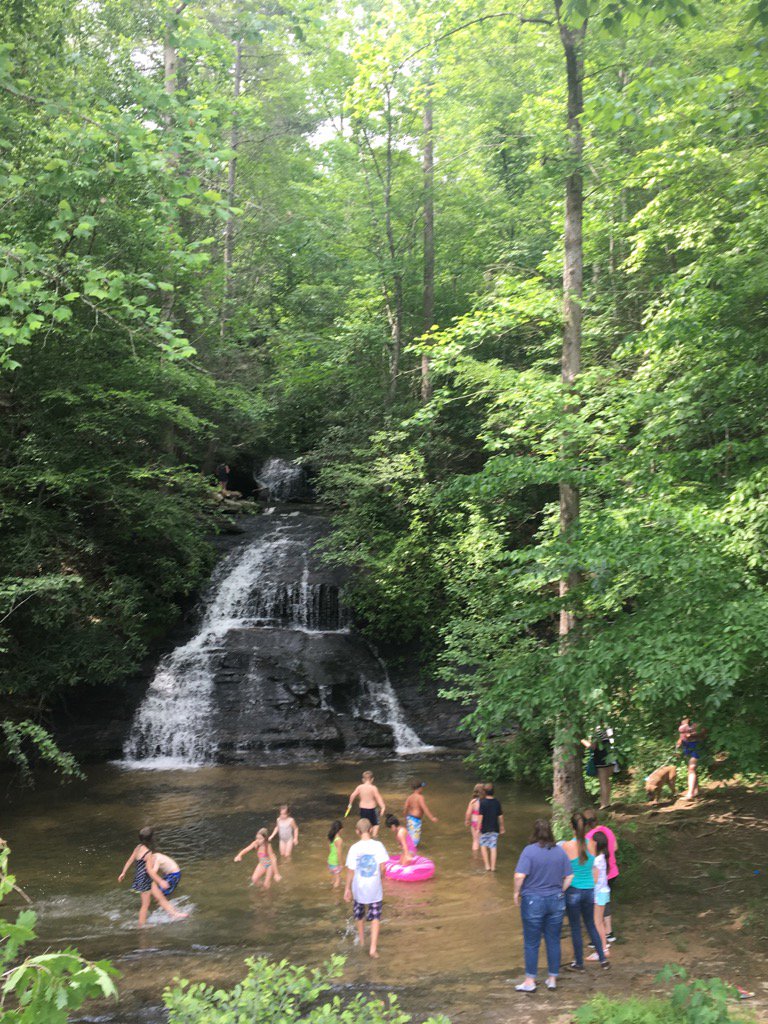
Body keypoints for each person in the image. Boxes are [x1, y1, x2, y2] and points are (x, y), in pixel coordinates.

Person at [513, 819, 573, 992]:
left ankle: (530, 981)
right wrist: (560, 890)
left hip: (533, 901)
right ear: (550, 832)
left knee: (532, 942)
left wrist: (516, 893)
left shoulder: (529, 851)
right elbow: (569, 876)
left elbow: (519, 876)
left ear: (534, 832)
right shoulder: (560, 852)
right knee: (553, 940)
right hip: (556, 900)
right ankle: (552, 979)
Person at [559, 813, 609, 971]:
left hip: (573, 890)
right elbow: (593, 868)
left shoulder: (567, 846)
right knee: (591, 925)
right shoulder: (593, 844)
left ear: (571, 826)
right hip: (589, 890)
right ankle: (603, 960)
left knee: (575, 927)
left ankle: (579, 963)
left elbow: (564, 870)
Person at [118, 826, 188, 926]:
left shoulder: (138, 848)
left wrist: (123, 872)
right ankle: (141, 926)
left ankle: (174, 914)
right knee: (145, 905)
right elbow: (150, 871)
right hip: (145, 880)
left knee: (160, 897)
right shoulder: (148, 854)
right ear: (151, 839)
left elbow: (130, 860)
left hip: (142, 879)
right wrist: (161, 881)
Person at [344, 818, 389, 958]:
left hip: (359, 887)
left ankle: (362, 941)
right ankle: (373, 949)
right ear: (370, 830)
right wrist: (381, 879)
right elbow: (383, 867)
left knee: (359, 915)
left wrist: (347, 889)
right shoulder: (378, 845)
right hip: (374, 887)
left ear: (357, 831)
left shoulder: (354, 848)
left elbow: (350, 870)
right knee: (375, 917)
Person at [583, 807, 619, 945]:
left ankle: (599, 936)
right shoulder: (607, 830)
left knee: (596, 906)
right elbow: (614, 847)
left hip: (599, 875)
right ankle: (609, 933)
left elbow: (588, 858)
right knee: (605, 902)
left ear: (585, 824)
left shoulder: (589, 837)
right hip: (612, 872)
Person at [581, 723, 617, 809]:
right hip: (611, 756)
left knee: (603, 782)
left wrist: (582, 740)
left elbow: (592, 746)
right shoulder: (609, 726)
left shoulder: (597, 729)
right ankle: (607, 802)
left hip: (601, 757)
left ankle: (604, 804)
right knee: (607, 781)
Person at [590, 831, 612, 963]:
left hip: (598, 894)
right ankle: (604, 947)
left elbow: (594, 879)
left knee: (596, 922)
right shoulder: (603, 857)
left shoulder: (597, 860)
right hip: (604, 892)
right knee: (600, 922)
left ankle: (602, 950)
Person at [346, 770, 386, 837]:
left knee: (364, 824)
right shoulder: (373, 788)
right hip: (372, 809)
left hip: (363, 809)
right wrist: (383, 807)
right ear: (372, 779)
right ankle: (374, 836)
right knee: (375, 824)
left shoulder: (359, 787)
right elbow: (378, 798)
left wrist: (350, 804)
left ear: (363, 779)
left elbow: (352, 795)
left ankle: (365, 837)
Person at [677, 716, 706, 800]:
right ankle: (696, 791)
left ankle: (690, 794)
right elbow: (682, 733)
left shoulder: (698, 717)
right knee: (691, 769)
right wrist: (679, 742)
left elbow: (704, 732)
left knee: (692, 767)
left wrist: (692, 735)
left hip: (697, 745)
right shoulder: (683, 717)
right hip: (686, 745)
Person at [478, 783, 505, 872]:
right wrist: (502, 827)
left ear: (484, 792)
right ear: (493, 792)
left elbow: (480, 816)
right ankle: (493, 867)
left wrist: (478, 828)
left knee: (483, 846)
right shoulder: (497, 802)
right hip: (494, 828)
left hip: (485, 829)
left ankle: (487, 866)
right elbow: (500, 816)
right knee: (493, 847)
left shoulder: (482, 802)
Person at [403, 780, 438, 848]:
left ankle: (407, 848)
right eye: (422, 787)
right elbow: (425, 808)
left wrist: (405, 817)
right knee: (415, 839)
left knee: (410, 837)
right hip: (415, 820)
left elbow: (405, 808)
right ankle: (412, 853)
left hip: (409, 818)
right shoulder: (420, 797)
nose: (422, 789)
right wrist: (432, 818)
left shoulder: (409, 797)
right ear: (419, 788)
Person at [464, 783, 485, 852]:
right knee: (484, 842)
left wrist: (467, 820)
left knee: (475, 841)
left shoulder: (473, 802)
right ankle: (483, 856)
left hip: (475, 824)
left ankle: (475, 856)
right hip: (484, 824)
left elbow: (468, 813)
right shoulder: (486, 801)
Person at [327, 820, 344, 888]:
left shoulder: (331, 838)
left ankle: (331, 888)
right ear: (340, 829)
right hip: (335, 862)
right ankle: (334, 895)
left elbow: (329, 849)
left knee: (333, 879)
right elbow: (339, 853)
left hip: (330, 860)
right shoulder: (339, 840)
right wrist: (341, 864)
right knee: (338, 880)